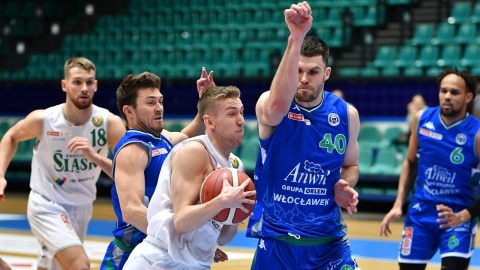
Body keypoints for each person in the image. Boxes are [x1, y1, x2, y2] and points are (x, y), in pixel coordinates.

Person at [245, 2, 361, 270]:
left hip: (328, 243)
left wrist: (344, 184)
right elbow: (276, 108)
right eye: (298, 70)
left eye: (312, 72)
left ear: (327, 74)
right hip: (277, 240)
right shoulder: (269, 105)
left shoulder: (347, 115)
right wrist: (295, 38)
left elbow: (351, 165)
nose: (304, 78)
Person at [0, 57, 126, 270]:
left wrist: (95, 157)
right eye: (77, 82)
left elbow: (125, 175)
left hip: (82, 206)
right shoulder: (44, 119)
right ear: (64, 85)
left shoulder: (109, 123)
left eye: (89, 82)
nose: (84, 88)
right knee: (79, 264)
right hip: (46, 203)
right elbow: (11, 136)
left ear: (96, 85)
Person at [100, 68, 228, 269]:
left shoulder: (162, 139)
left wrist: (206, 103)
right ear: (129, 111)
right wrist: (184, 241)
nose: (159, 107)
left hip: (161, 249)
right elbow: (131, 211)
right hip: (132, 250)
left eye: (160, 101)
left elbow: (190, 135)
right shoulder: (132, 149)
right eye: (150, 102)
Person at [122, 85, 256, 269]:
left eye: (241, 112)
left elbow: (223, 238)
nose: (241, 120)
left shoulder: (235, 165)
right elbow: (182, 221)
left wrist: (236, 213)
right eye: (232, 114)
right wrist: (221, 202)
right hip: (160, 260)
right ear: (209, 122)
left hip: (197, 263)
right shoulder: (194, 151)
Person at [379, 68, 480, 270]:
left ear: (469, 96)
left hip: (457, 217)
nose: (447, 97)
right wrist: (398, 204)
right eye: (444, 91)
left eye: (454, 92)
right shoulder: (422, 119)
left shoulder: (476, 133)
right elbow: (410, 162)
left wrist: (464, 216)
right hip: (421, 213)